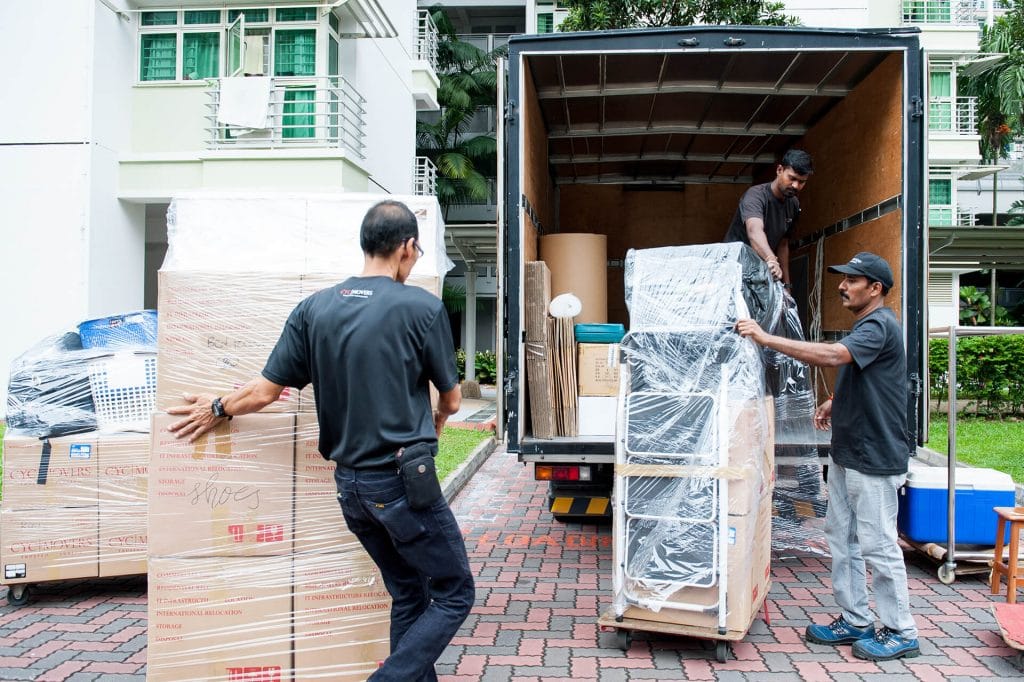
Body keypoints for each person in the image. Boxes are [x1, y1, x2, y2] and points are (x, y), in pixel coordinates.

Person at [167, 200, 475, 682]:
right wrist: (436, 417)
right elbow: (453, 402)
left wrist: (216, 407)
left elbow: (265, 391)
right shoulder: (422, 307)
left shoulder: (314, 309)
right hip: (402, 485)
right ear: (407, 248)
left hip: (351, 490)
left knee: (410, 592)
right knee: (456, 591)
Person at [735, 251, 920, 662]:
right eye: (843, 278)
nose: (842, 285)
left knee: (877, 545)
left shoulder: (879, 324)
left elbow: (836, 356)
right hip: (848, 452)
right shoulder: (867, 327)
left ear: (875, 288)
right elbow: (867, 374)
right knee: (843, 537)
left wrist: (765, 338)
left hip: (874, 457)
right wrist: (836, 401)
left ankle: (901, 629)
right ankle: (855, 619)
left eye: (852, 280)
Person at [723, 149, 813, 286]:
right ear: (779, 170)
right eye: (792, 178)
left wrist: (787, 284)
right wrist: (770, 259)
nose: (796, 185)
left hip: (761, 273)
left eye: (802, 182)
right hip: (733, 270)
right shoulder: (755, 196)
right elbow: (754, 230)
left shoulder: (793, 204)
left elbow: (783, 244)